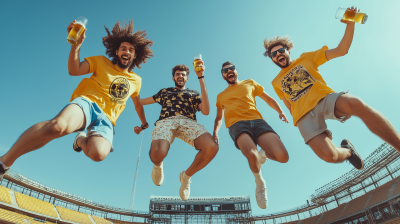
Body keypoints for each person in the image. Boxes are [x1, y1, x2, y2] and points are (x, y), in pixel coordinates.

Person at [0, 19, 153, 179]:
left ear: (135, 55)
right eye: (123, 48)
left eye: (130, 50)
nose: (126, 52)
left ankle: (80, 139)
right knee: (57, 127)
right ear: (116, 52)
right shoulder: (101, 61)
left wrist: (144, 124)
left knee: (98, 154)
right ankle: (4, 163)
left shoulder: (137, 81)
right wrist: (76, 45)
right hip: (87, 103)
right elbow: (74, 70)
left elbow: (137, 104)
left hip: (107, 121)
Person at [264, 7, 400, 171]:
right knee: (330, 156)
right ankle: (349, 152)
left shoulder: (307, 58)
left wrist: (350, 24)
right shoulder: (275, 82)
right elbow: (288, 102)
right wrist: (298, 120)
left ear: (288, 50)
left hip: (325, 99)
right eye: (273, 54)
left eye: (280, 50)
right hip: (304, 116)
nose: (278, 54)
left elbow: (342, 50)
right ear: (272, 59)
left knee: (356, 104)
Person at [213, 61, 289, 209]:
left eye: (231, 68)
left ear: (236, 71)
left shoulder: (250, 83)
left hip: (258, 121)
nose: (229, 71)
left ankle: (264, 154)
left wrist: (280, 111)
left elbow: (268, 99)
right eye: (225, 71)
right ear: (223, 76)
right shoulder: (221, 96)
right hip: (237, 124)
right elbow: (218, 118)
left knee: (283, 157)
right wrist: (215, 132)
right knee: (252, 154)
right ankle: (260, 183)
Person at [141, 62, 218, 201]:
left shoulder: (193, 93)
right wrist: (127, 94)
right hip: (166, 120)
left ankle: (186, 176)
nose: (180, 76)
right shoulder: (165, 91)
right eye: (177, 74)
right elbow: (141, 102)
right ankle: (158, 164)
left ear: (187, 78)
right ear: (173, 78)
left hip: (188, 121)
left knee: (211, 147)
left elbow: (206, 111)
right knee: (157, 153)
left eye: (183, 74)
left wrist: (201, 77)